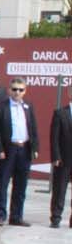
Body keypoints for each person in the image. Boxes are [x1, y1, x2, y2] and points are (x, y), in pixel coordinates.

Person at [0, 77, 37, 227]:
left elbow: (33, 128)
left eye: (21, 89)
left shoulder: (28, 106)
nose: (17, 92)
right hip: (7, 150)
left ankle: (16, 216)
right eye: (15, 89)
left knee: (21, 185)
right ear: (9, 90)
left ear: (25, 91)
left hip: (24, 149)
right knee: (2, 184)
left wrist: (35, 148)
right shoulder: (0, 106)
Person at [51, 93, 72, 228]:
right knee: (60, 189)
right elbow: (54, 138)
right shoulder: (60, 113)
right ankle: (56, 217)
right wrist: (56, 156)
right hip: (63, 158)